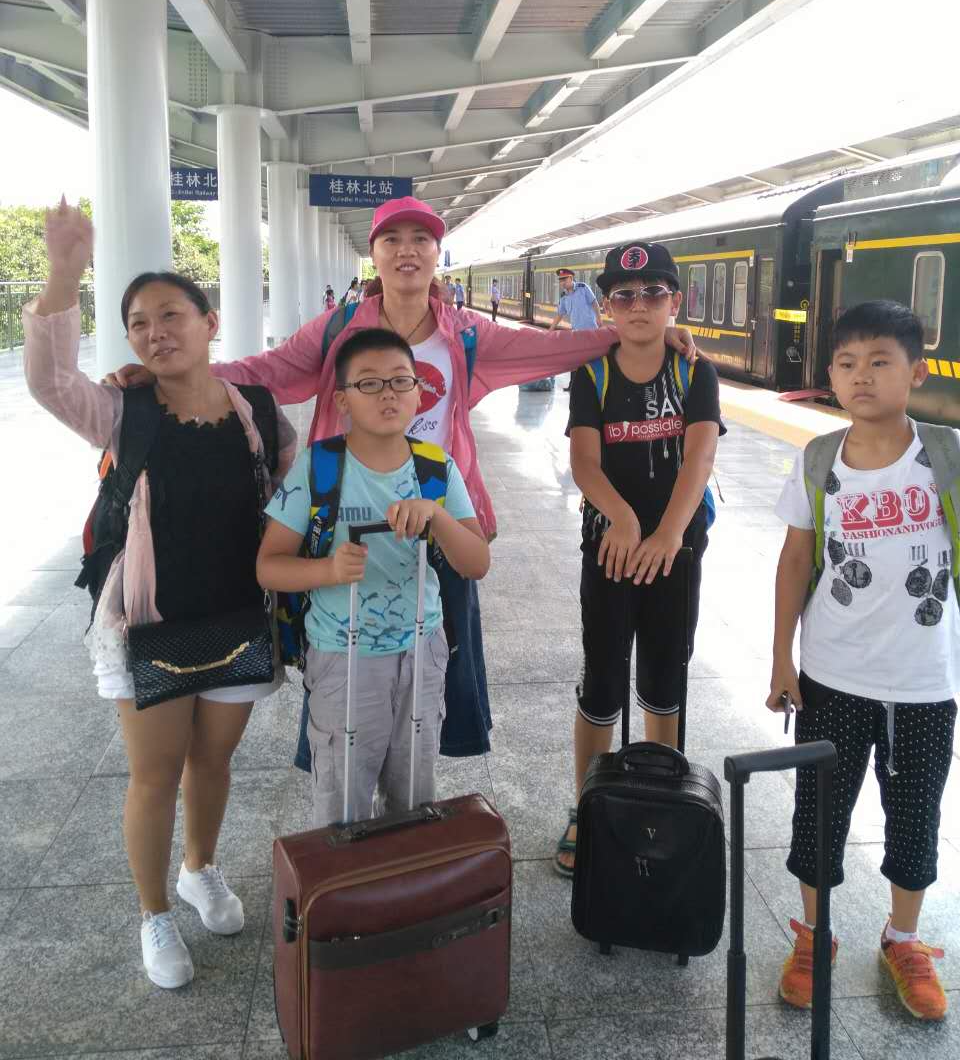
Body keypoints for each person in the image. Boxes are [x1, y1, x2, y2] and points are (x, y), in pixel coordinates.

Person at [109, 196, 695, 761]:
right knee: (343, 663)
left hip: (437, 516)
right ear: (374, 254)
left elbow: (550, 349)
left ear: (438, 253)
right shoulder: (340, 329)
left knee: (439, 661)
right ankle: (344, 766)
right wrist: (179, 373)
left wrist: (639, 334)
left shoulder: (466, 333)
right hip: (351, 519)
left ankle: (415, 774)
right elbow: (268, 370)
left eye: (421, 239)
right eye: (391, 239)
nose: (406, 249)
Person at [23, 200, 297, 990]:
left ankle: (199, 868)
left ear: (211, 323)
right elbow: (49, 381)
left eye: (171, 315)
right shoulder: (122, 410)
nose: (154, 332)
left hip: (238, 614)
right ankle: (154, 913)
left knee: (213, 761)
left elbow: (294, 492)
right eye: (138, 323)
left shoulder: (257, 412)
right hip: (149, 621)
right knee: (155, 774)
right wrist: (66, 272)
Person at [768, 300, 958, 1021]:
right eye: (847, 363)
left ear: (917, 372)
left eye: (880, 361)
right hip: (831, 674)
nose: (862, 376)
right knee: (818, 814)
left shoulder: (945, 456)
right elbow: (794, 561)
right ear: (830, 374)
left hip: (924, 680)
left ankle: (903, 939)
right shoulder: (818, 460)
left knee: (915, 815)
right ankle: (815, 936)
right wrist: (781, 659)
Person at [257, 328, 490, 825]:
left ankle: (403, 872)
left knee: (414, 801)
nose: (388, 393)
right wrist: (327, 570)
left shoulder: (437, 469)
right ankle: (344, 876)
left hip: (423, 654)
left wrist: (437, 516)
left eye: (401, 381)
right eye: (369, 383)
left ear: (419, 393)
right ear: (341, 400)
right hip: (342, 658)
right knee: (343, 804)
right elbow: (268, 565)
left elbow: (476, 563)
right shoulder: (318, 468)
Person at [555, 242, 720, 878]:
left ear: (674, 302)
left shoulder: (695, 373)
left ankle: (661, 804)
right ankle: (587, 810)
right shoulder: (593, 375)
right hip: (611, 549)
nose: (639, 305)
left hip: (676, 549)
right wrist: (623, 520)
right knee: (602, 679)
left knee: (663, 676)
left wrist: (669, 534)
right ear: (607, 308)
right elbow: (584, 462)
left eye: (654, 293)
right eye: (624, 296)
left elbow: (699, 457)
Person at [548, 268, 602, 390]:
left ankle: (594, 384)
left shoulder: (583, 288)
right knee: (575, 359)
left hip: (590, 330)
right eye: (560, 280)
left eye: (564, 279)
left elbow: (594, 303)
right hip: (576, 333)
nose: (562, 282)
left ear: (571, 278)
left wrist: (599, 318)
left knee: (592, 359)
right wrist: (550, 330)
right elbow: (560, 314)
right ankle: (572, 385)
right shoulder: (563, 297)